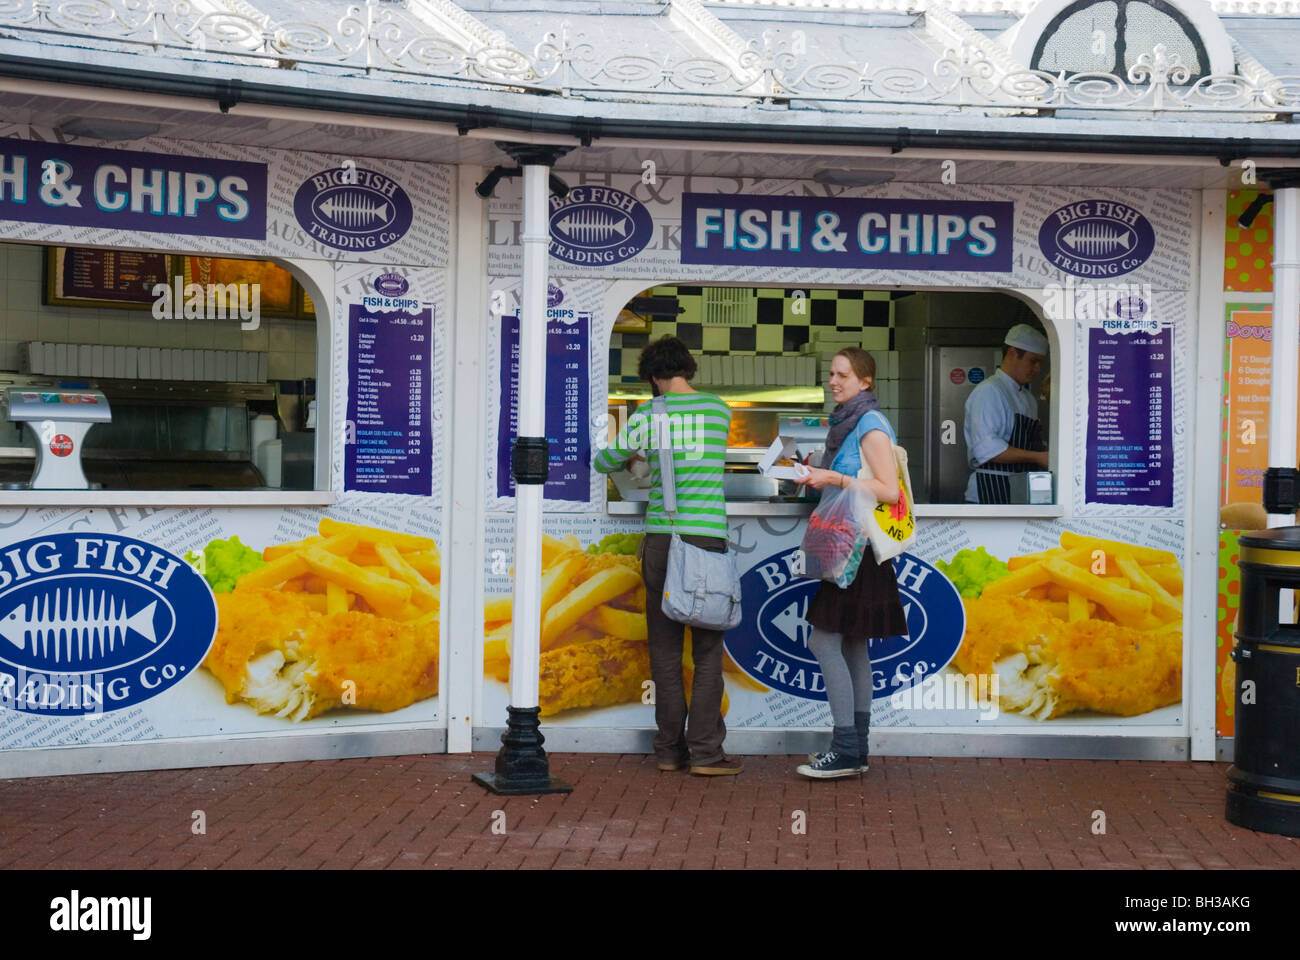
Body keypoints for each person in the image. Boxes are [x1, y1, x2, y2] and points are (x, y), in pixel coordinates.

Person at [592, 336, 742, 776]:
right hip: (708, 541)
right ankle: (707, 754)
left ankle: (668, 751)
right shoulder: (719, 411)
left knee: (665, 650)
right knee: (709, 650)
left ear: (655, 377)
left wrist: (641, 457)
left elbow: (605, 462)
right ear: (687, 369)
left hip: (663, 540)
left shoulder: (648, 414)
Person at [795, 347, 907, 779]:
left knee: (824, 643)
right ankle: (856, 749)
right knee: (854, 644)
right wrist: (813, 474)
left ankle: (844, 748)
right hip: (849, 547)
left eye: (843, 375)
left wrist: (834, 478)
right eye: (832, 374)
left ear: (865, 382)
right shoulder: (846, 424)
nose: (834, 381)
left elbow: (889, 491)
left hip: (856, 552)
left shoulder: (870, 424)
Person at [963, 323, 1049, 504]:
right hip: (989, 490)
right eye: (1033, 361)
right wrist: (1037, 457)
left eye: (1040, 363)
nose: (1037, 369)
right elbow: (987, 450)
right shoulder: (989, 391)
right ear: (1012, 354)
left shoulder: (1028, 398)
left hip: (1017, 491)